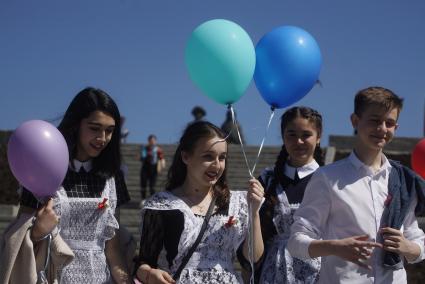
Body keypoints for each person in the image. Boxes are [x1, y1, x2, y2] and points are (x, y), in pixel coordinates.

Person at [288, 87, 425, 283]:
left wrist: (409, 247)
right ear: (355, 121)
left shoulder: (403, 179)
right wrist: (334, 247)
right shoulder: (327, 177)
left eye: (390, 123)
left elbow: (416, 238)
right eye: (375, 120)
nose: (383, 129)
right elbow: (296, 241)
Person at [3, 87, 131, 283]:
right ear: (76, 125)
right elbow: (17, 237)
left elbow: (112, 247)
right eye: (95, 128)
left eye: (109, 131)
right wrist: (38, 230)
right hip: (54, 276)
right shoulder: (42, 168)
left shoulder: (113, 177)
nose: (102, 138)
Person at [135, 121, 265, 283]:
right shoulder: (161, 204)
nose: (217, 165)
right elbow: (144, 261)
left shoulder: (238, 202)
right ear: (185, 156)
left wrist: (254, 213)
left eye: (222, 157)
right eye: (208, 156)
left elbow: (252, 258)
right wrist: (148, 274)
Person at [254, 106, 323, 283]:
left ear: (318, 138)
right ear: (283, 137)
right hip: (274, 270)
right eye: (291, 135)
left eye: (306, 135)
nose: (298, 142)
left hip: (318, 270)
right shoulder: (267, 179)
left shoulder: (330, 179)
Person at [139, 134, 165, 200]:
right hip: (145, 167)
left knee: (152, 185)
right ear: (148, 141)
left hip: (154, 168)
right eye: (151, 141)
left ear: (156, 141)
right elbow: (142, 157)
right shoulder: (145, 148)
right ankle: (143, 199)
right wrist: (144, 155)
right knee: (143, 184)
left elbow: (161, 157)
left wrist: (162, 164)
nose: (152, 142)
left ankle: (152, 199)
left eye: (153, 140)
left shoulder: (158, 149)